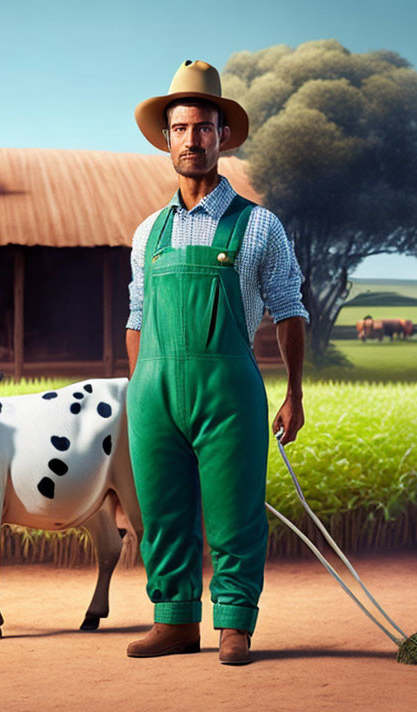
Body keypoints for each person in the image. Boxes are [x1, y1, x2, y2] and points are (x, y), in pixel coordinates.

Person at [125, 60, 308, 665]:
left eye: (203, 128)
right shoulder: (147, 232)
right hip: (154, 394)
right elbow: (135, 316)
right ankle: (174, 621)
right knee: (164, 515)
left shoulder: (259, 226)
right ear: (166, 138)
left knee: (234, 514)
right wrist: (138, 391)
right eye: (180, 129)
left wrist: (294, 394)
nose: (191, 139)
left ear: (222, 135)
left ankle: (234, 623)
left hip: (228, 392)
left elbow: (288, 311)